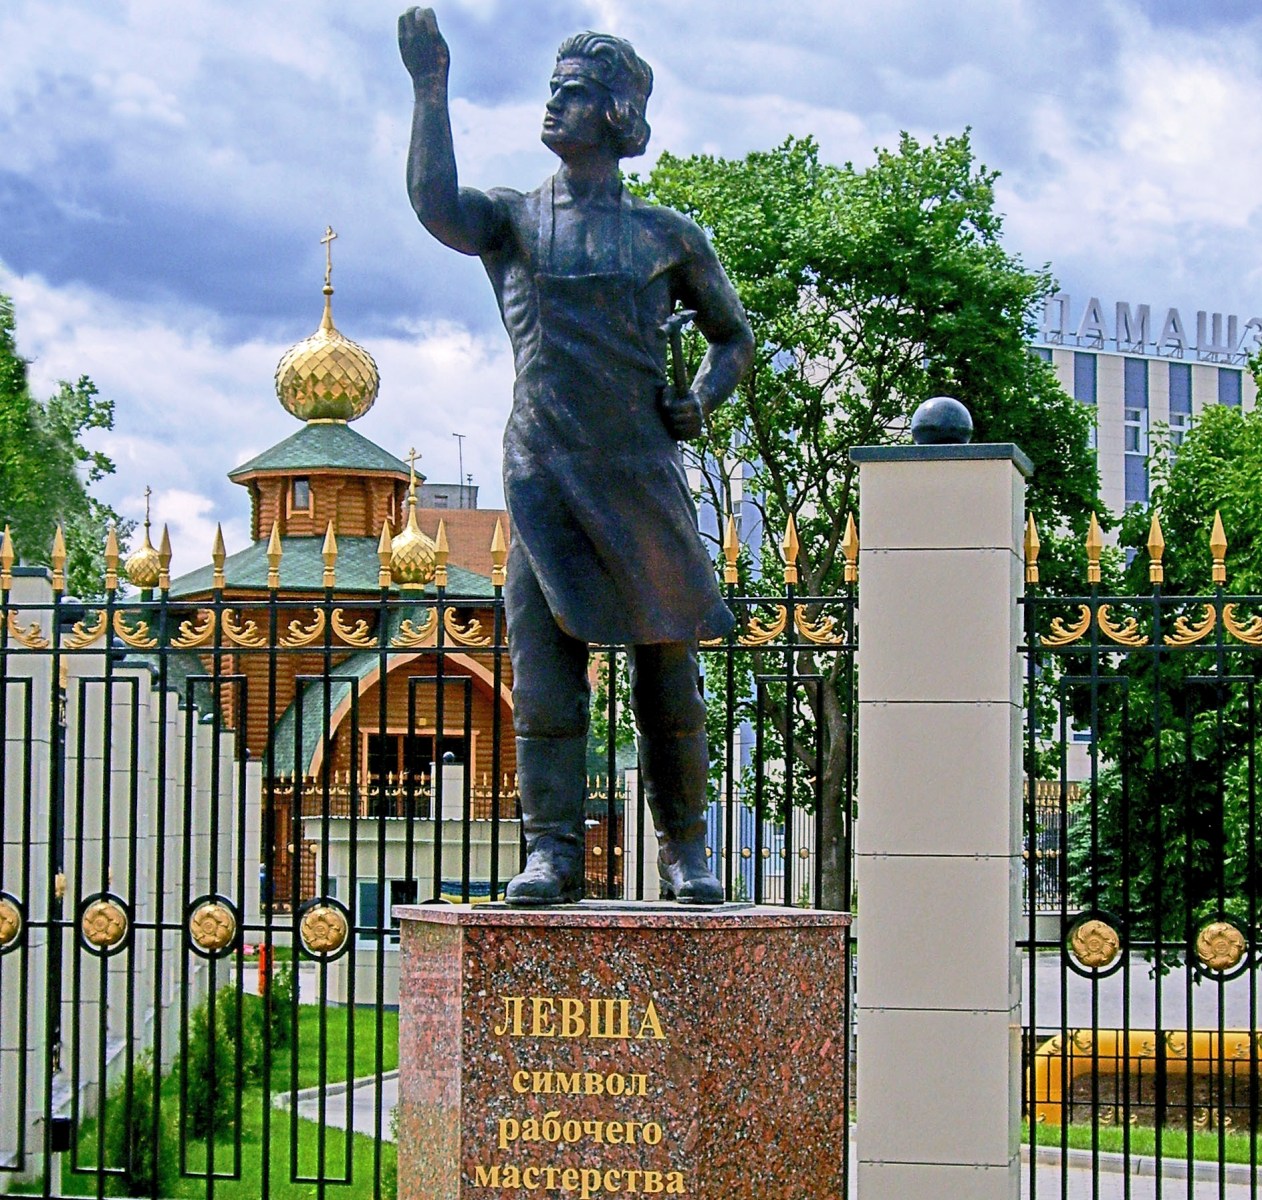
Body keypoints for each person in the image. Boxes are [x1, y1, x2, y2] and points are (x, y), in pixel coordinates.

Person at [399, 9, 754, 905]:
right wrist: (430, 85)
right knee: (548, 669)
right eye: (553, 91)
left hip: (638, 475)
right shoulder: (516, 222)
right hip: (543, 470)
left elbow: (733, 339)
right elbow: (436, 206)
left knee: (667, 668)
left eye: (575, 94)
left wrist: (699, 401)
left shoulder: (669, 234)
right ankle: (553, 851)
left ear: (618, 115)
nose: (554, 106)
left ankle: (685, 850)